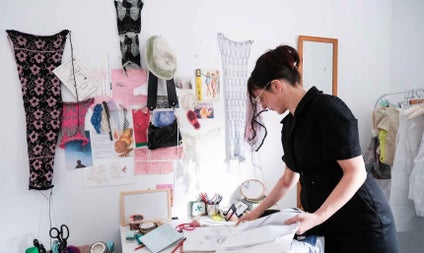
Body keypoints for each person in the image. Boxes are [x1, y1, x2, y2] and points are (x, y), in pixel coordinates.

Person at [237, 44, 400, 253]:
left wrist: (317, 216)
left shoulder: (328, 109)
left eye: (262, 98)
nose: (264, 106)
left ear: (276, 86)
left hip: (362, 224)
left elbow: (356, 172)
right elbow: (287, 181)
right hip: (326, 224)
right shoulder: (289, 126)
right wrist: (256, 212)